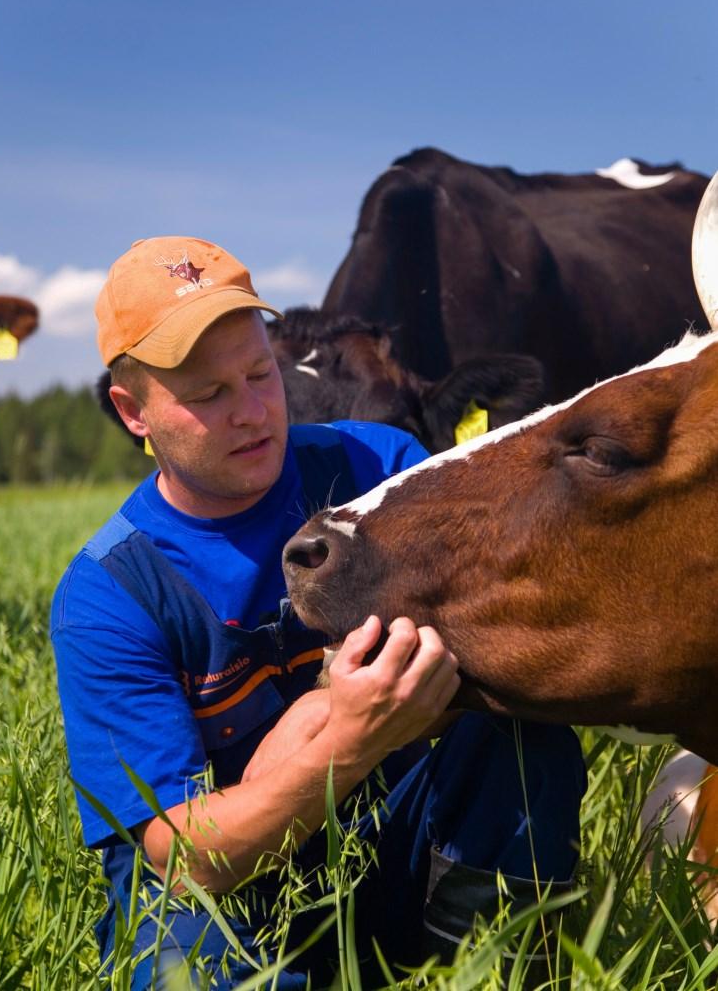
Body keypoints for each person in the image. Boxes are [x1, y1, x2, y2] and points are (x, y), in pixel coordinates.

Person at [51, 236, 585, 990]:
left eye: (259, 373)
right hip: (216, 892)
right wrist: (343, 731)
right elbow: (184, 853)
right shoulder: (110, 593)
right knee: (177, 955)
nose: (252, 413)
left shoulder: (378, 469)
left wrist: (324, 735)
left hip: (384, 829)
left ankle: (482, 964)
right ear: (133, 412)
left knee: (522, 727)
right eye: (208, 396)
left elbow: (497, 634)